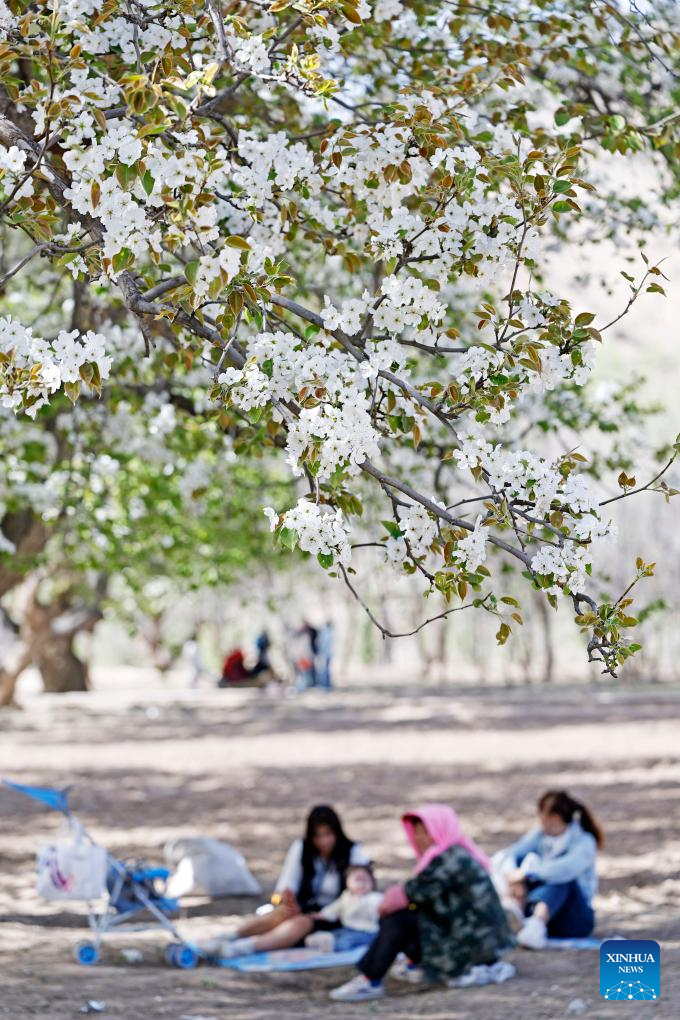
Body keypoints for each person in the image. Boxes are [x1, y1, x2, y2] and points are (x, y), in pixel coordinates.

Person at [329, 803, 512, 1002]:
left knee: (396, 920)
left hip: (473, 952)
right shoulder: (457, 854)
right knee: (407, 916)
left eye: (425, 832)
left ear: (441, 829)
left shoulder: (448, 860)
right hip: (478, 946)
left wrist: (390, 905)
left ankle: (369, 979)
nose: (419, 838)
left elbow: (405, 896)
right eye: (416, 832)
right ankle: (409, 965)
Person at [212, 805, 369, 958]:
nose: (324, 841)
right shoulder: (302, 848)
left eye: (328, 834)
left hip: (337, 913)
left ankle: (243, 947)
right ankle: (228, 937)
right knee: (282, 913)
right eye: (318, 836)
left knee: (301, 922)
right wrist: (285, 901)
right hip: (305, 907)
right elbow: (284, 887)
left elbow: (362, 889)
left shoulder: (352, 852)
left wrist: (326, 913)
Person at [493, 789, 603, 950]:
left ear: (554, 818)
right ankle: (515, 911)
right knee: (519, 861)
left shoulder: (584, 842)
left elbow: (565, 869)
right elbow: (509, 854)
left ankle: (537, 923)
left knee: (560, 879)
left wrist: (527, 874)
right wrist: (514, 876)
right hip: (544, 909)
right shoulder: (540, 835)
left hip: (574, 918)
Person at [306, 864, 383, 953]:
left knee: (348, 940)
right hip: (348, 928)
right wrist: (322, 914)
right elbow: (335, 908)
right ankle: (323, 940)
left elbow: (381, 908)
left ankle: (333, 946)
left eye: (365, 880)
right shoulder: (346, 896)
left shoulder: (374, 898)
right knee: (336, 933)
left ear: (372, 883)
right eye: (357, 880)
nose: (361, 884)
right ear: (348, 882)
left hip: (366, 932)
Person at [315, 620, 334, 691]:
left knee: (324, 670)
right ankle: (327, 685)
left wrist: (320, 653)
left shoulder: (325, 633)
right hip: (328, 654)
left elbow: (323, 644)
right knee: (326, 670)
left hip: (325, 654)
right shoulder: (330, 632)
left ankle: (326, 686)